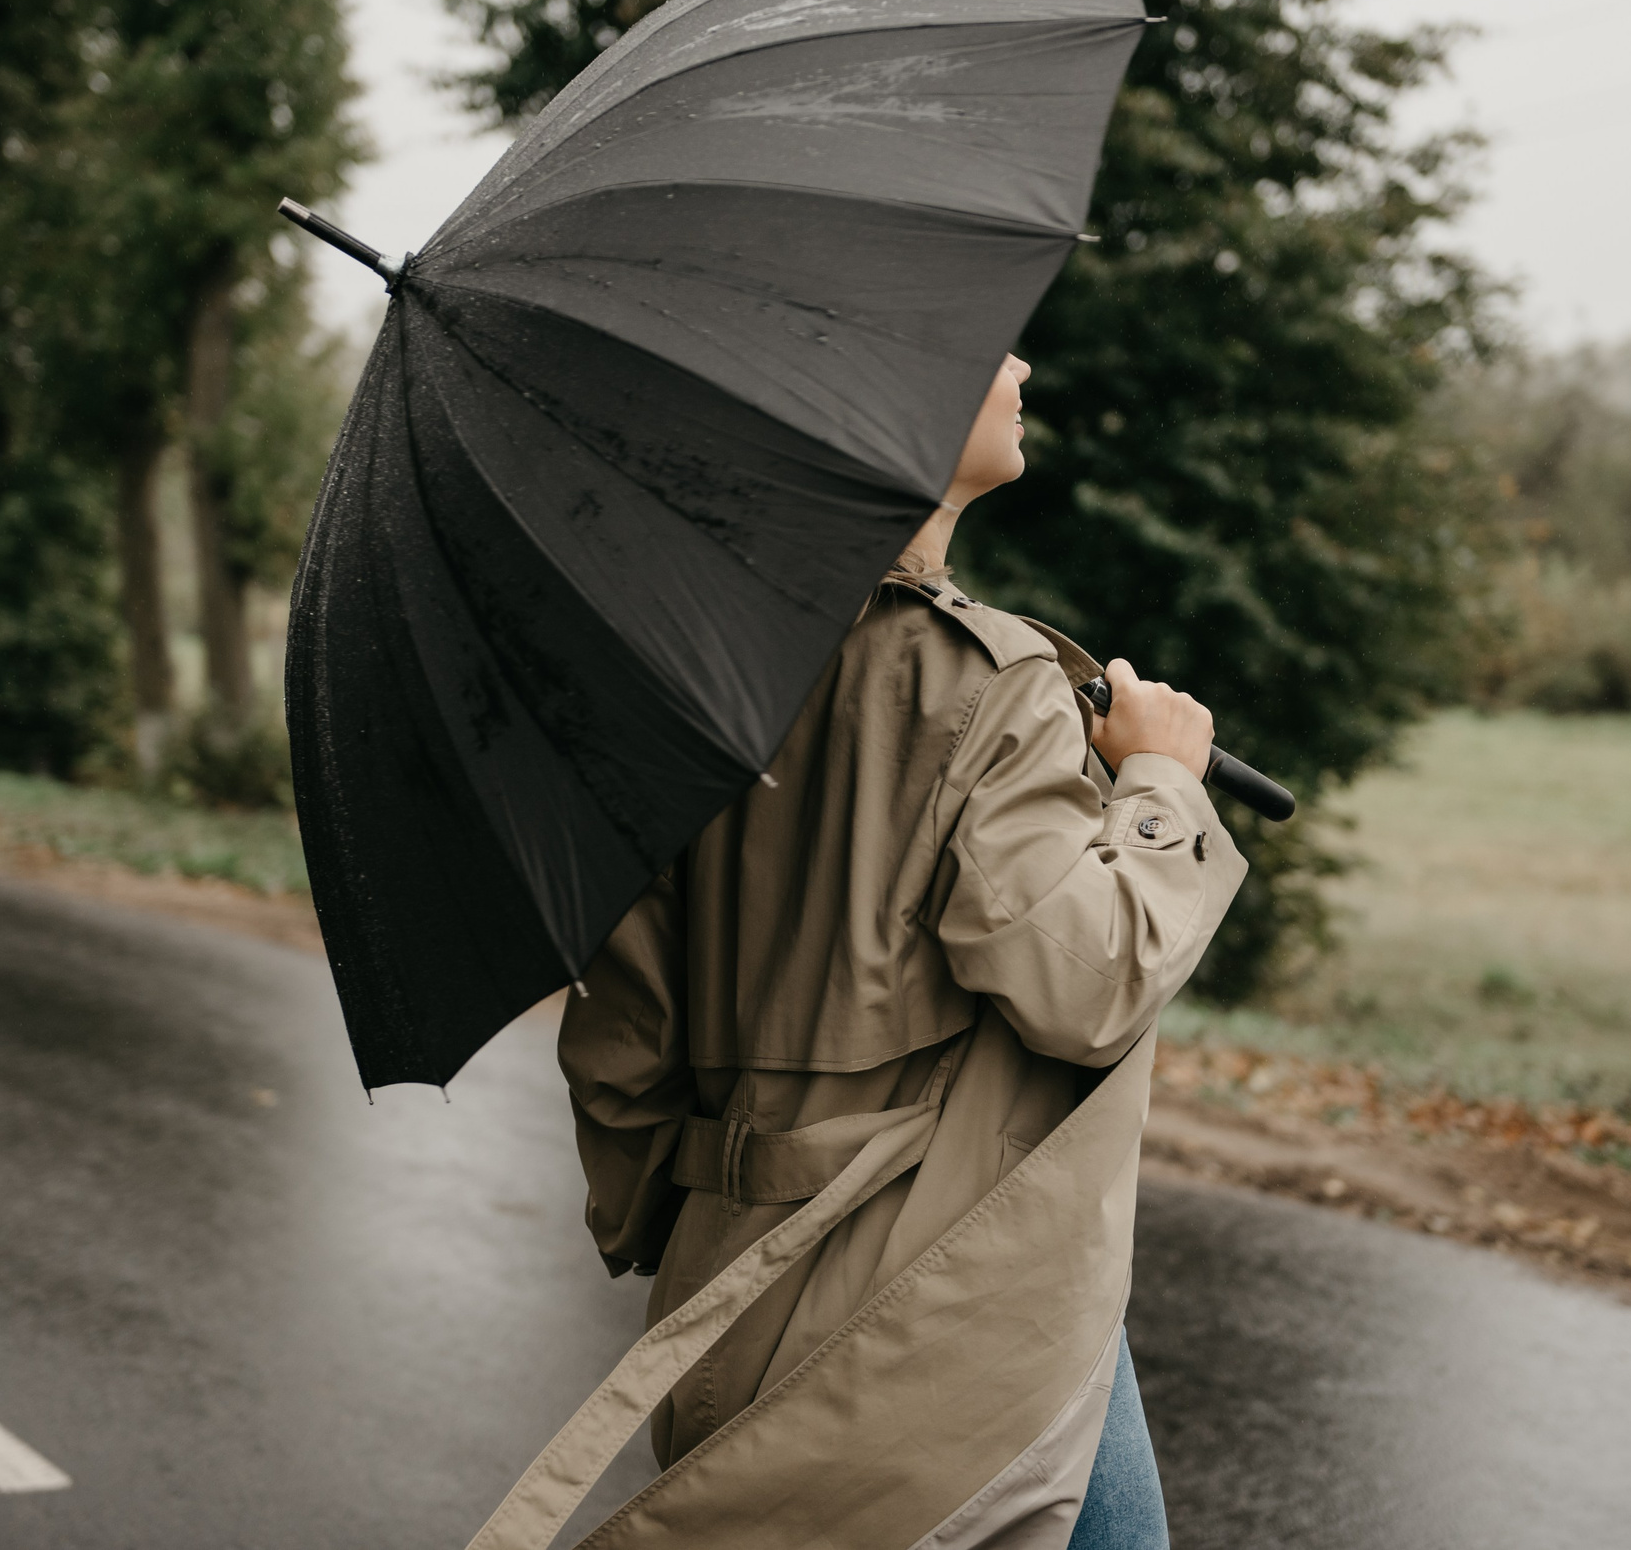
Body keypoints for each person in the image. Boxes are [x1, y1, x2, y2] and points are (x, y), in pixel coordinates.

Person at [507, 353, 1247, 1550]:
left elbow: (623, 1042)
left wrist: (693, 1221)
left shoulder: (692, 682)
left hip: (732, 1280)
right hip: (949, 1300)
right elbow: (1084, 980)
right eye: (989, 339)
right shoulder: (988, 678)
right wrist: (1160, 779)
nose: (1021, 362)